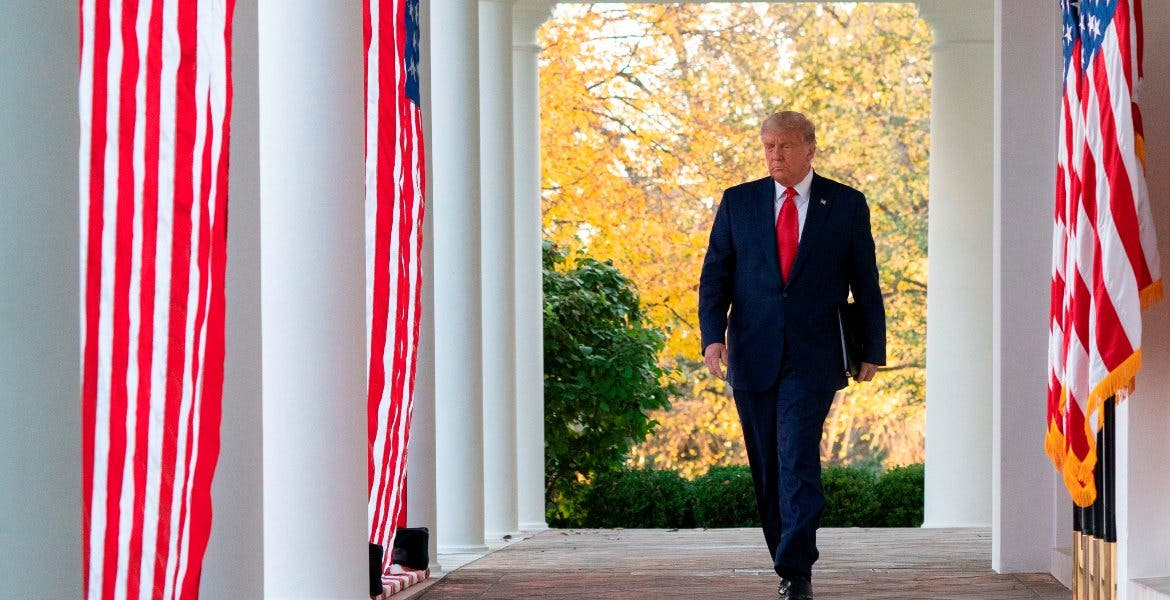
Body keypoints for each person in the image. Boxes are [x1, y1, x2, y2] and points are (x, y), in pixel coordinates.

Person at [698, 111, 886, 600]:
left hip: (814, 356)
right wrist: (712, 337)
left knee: (796, 455)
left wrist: (872, 348)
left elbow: (865, 281)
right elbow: (716, 275)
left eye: (784, 146)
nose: (775, 155)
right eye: (768, 146)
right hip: (751, 352)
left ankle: (797, 568)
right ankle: (784, 560)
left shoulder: (844, 204)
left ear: (810, 148)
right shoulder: (739, 202)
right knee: (767, 464)